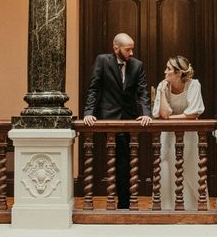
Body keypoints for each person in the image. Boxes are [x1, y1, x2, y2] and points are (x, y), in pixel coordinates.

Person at [83, 33, 152, 209]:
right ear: (116, 48)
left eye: (132, 48)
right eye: (128, 49)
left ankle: (125, 203)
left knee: (126, 161)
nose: (131, 52)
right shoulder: (102, 61)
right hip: (108, 118)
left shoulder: (137, 65)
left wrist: (146, 113)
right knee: (111, 160)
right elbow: (94, 88)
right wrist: (88, 113)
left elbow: (143, 92)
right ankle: (112, 202)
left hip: (129, 118)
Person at [152, 56, 204, 211]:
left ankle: (192, 208)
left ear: (178, 73)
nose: (165, 71)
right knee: (166, 167)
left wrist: (170, 119)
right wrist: (161, 91)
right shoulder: (164, 86)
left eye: (168, 69)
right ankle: (167, 208)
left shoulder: (194, 85)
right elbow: (163, 113)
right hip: (167, 135)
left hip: (188, 135)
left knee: (190, 168)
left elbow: (193, 113)